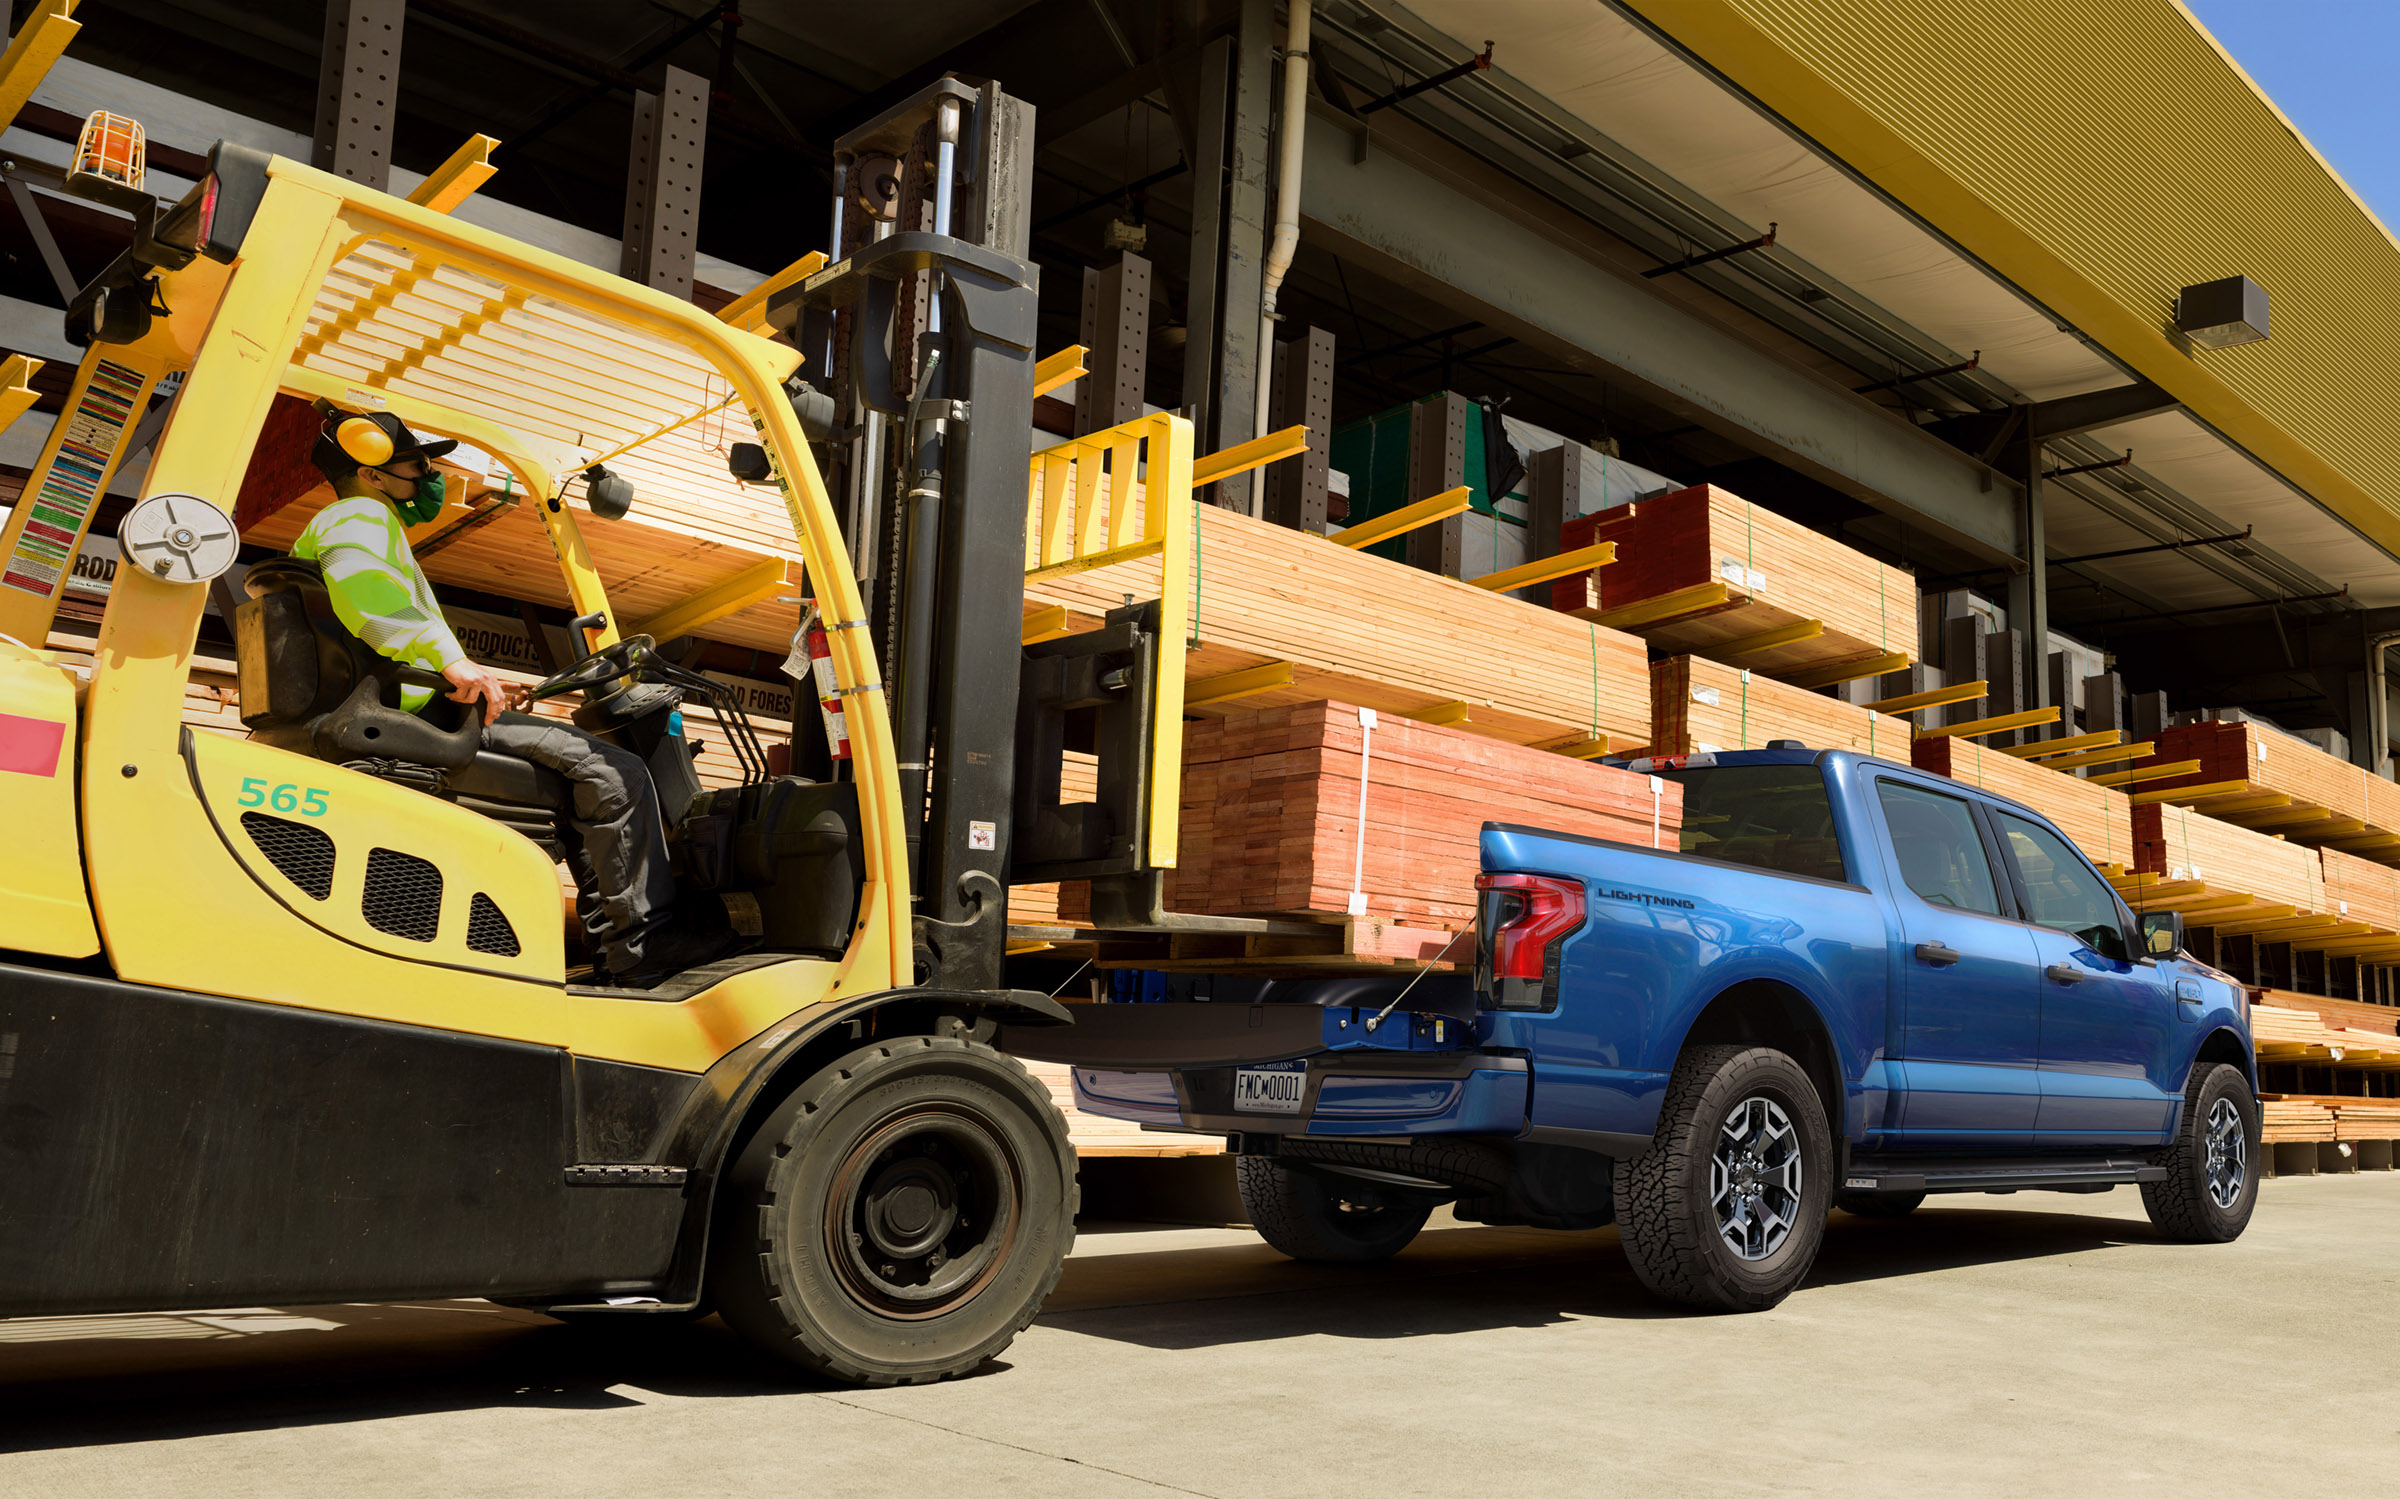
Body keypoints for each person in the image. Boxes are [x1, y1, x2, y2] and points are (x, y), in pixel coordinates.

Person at [292, 407, 729, 986]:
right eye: (416, 465)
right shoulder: (360, 516)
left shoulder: (345, 522)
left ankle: (614, 946)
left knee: (579, 779)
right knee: (617, 772)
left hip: (410, 703)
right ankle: (644, 943)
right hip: (421, 714)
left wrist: (471, 675)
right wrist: (452, 662)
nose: (428, 476)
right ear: (373, 474)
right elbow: (368, 591)